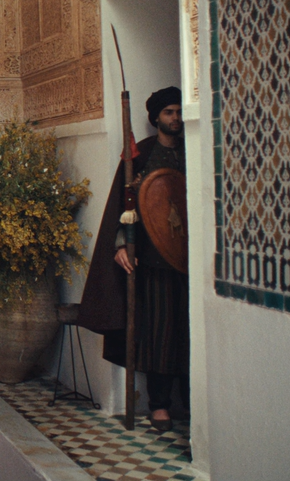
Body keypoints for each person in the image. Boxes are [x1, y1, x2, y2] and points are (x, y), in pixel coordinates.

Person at [78, 86, 189, 431]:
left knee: (190, 332)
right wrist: (122, 245)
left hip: (189, 257)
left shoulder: (193, 150)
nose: (176, 118)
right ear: (156, 117)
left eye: (179, 111)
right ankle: (160, 406)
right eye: (169, 112)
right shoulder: (141, 155)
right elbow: (122, 207)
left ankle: (194, 403)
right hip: (153, 259)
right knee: (160, 334)